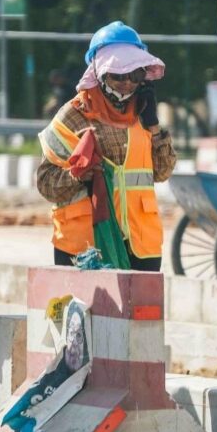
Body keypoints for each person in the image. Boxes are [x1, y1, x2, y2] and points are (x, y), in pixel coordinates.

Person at [36, 21, 176, 271]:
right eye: (117, 75)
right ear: (99, 73)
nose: (127, 83)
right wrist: (77, 175)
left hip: (140, 244)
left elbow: (163, 172)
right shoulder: (73, 116)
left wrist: (154, 125)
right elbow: (46, 184)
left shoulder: (144, 114)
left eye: (134, 75)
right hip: (84, 247)